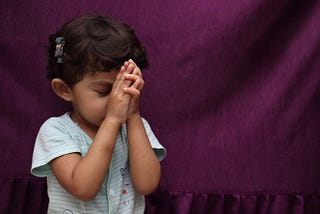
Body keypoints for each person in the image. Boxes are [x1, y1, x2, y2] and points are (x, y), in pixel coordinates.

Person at [31, 14, 166, 214]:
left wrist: (133, 115)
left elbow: (147, 184)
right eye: (104, 91)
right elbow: (83, 188)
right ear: (64, 89)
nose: (117, 99)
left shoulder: (135, 127)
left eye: (125, 87)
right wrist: (112, 120)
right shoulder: (56, 131)